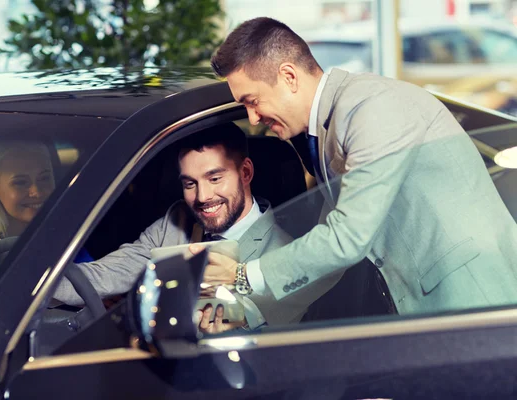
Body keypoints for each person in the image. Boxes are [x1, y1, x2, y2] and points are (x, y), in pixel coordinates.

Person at [201, 17, 517, 315]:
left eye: (252, 101)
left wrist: (242, 275)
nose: (253, 117)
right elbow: (330, 256)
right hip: (434, 308)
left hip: (474, 297)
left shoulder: (369, 108)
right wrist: (251, 314)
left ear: (289, 76)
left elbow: (348, 237)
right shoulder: (331, 126)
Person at [53, 123, 340, 329]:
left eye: (215, 179)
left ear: (246, 172)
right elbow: (105, 274)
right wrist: (27, 285)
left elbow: (266, 345)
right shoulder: (177, 221)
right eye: (190, 183)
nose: (202, 197)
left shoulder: (287, 254)